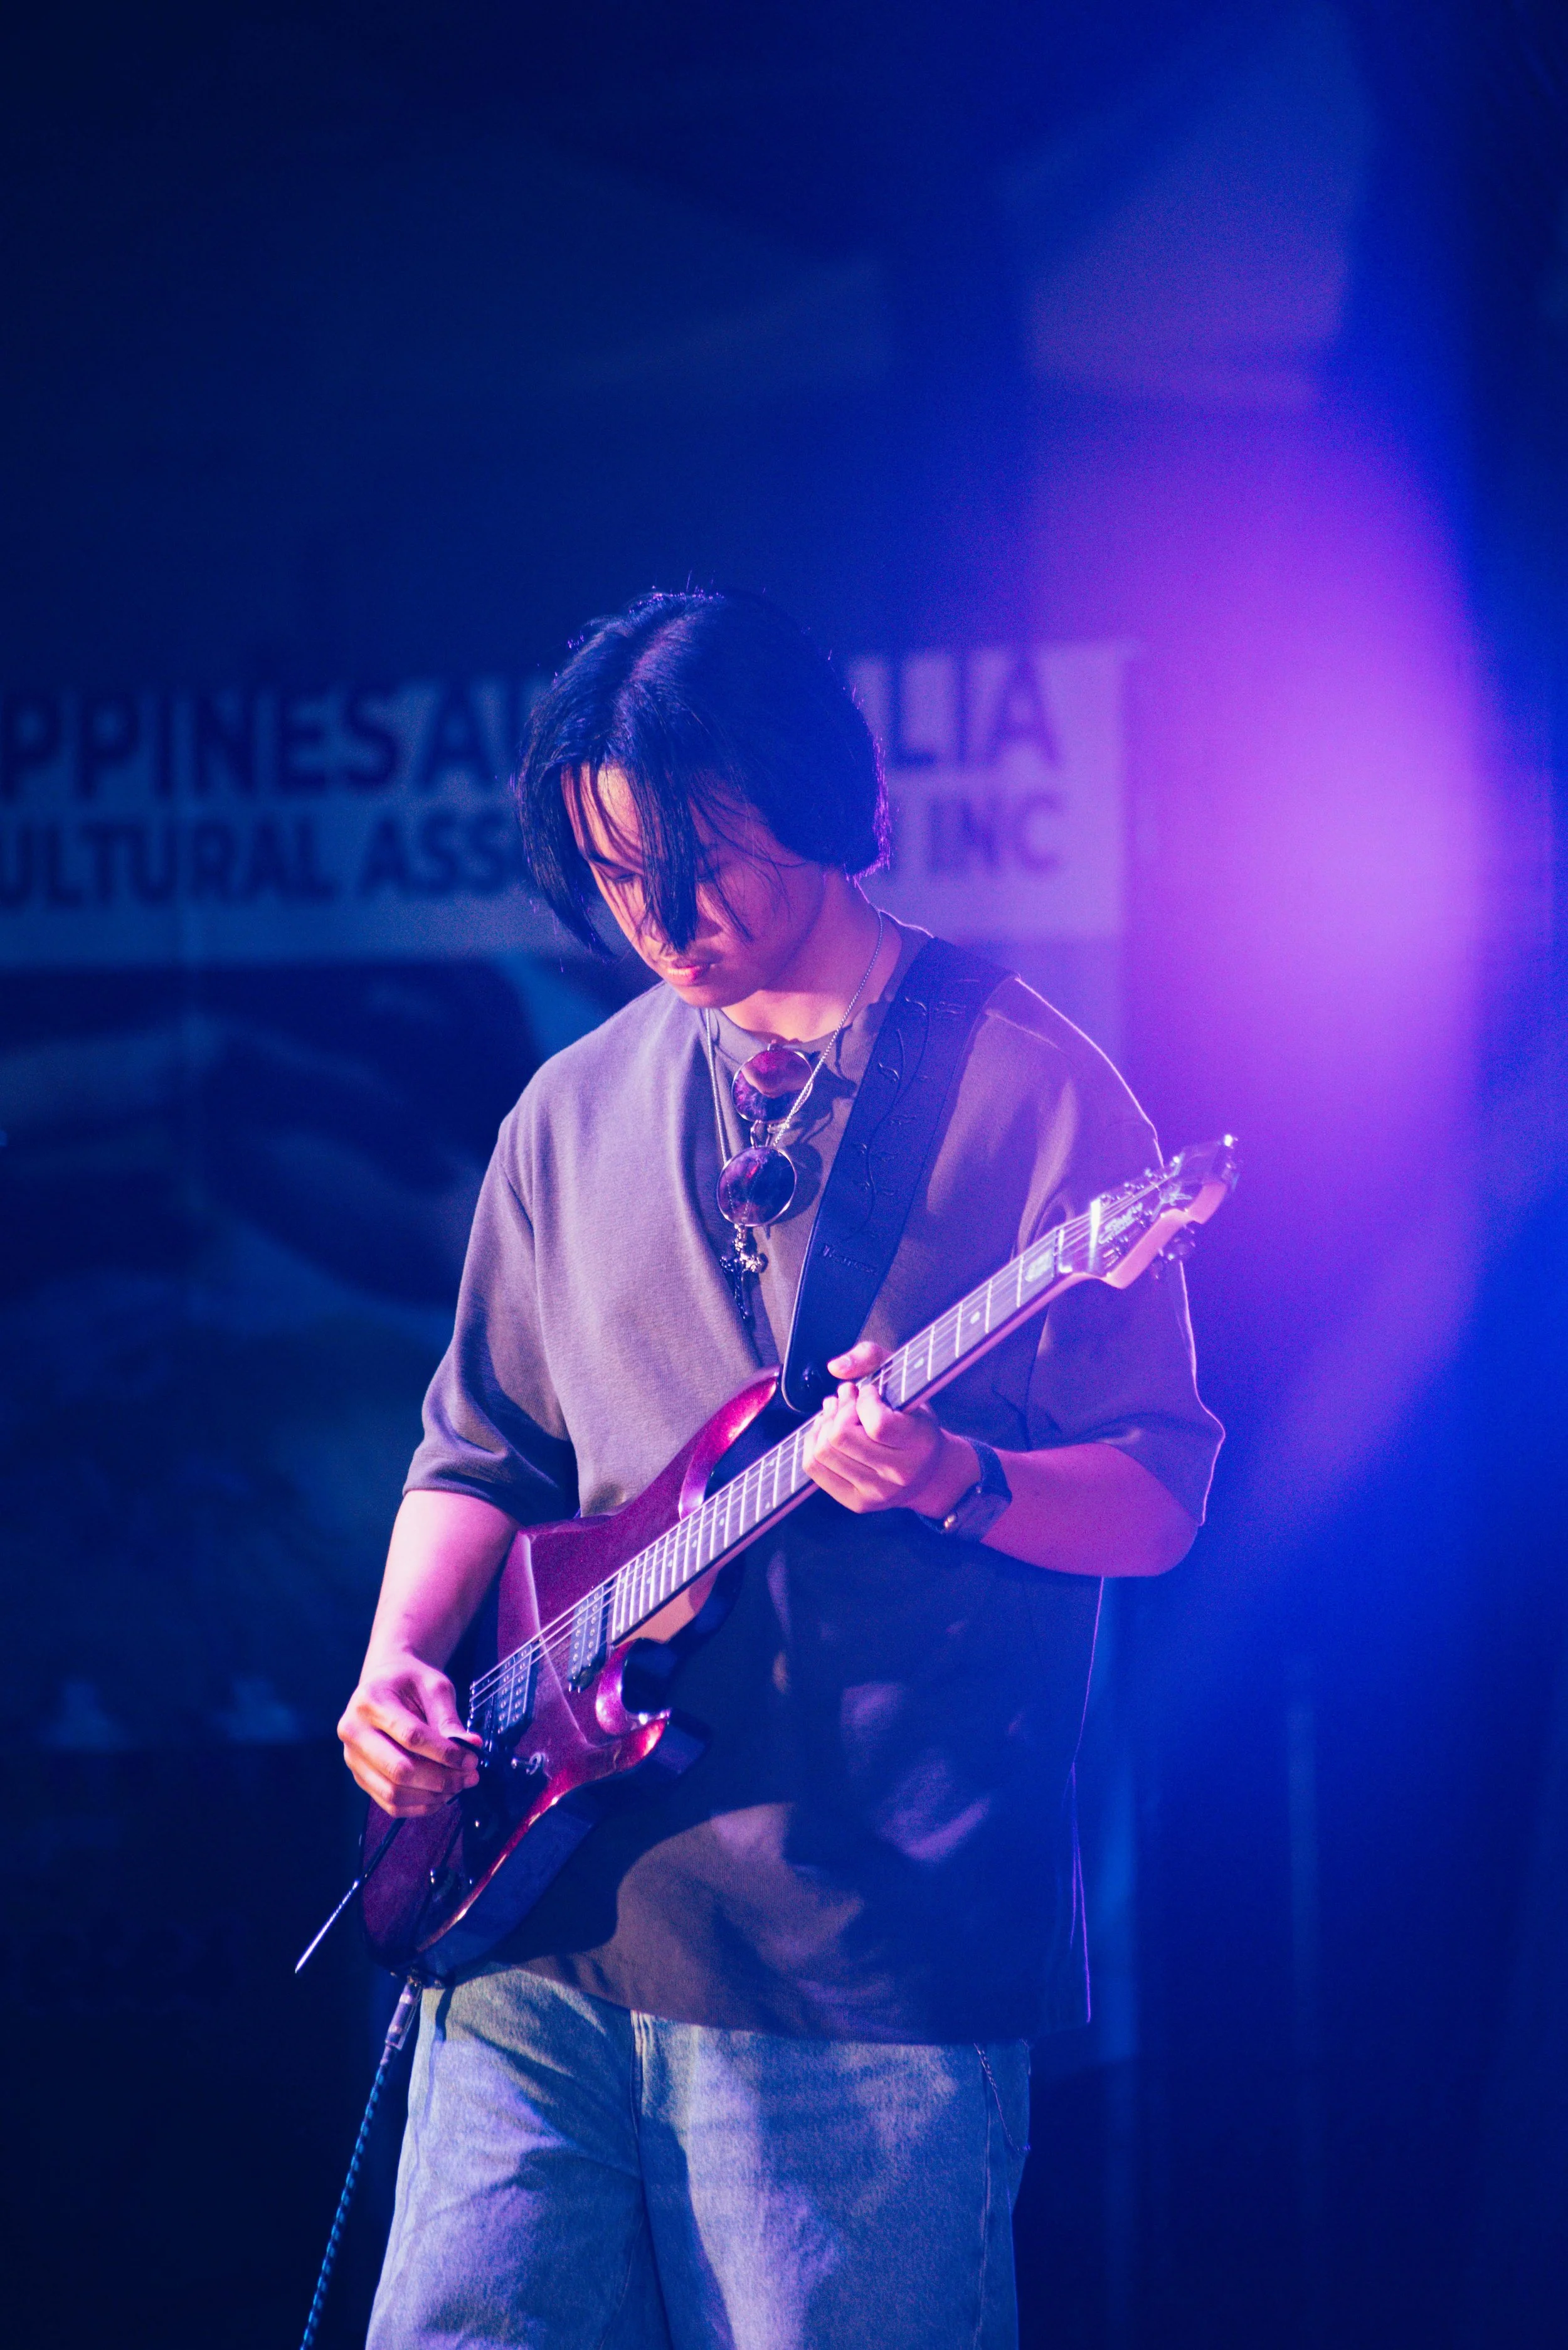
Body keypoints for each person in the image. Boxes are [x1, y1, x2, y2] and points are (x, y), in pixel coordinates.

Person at [338, 590, 1222, 2350]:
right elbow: (479, 1450)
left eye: (706, 863)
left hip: (857, 1955)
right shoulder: (565, 1112)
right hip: (536, 1913)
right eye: (609, 875)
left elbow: (1160, 1495)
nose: (662, 922)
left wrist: (959, 1476)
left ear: (821, 805)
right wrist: (397, 1668)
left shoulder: (1035, 1097)